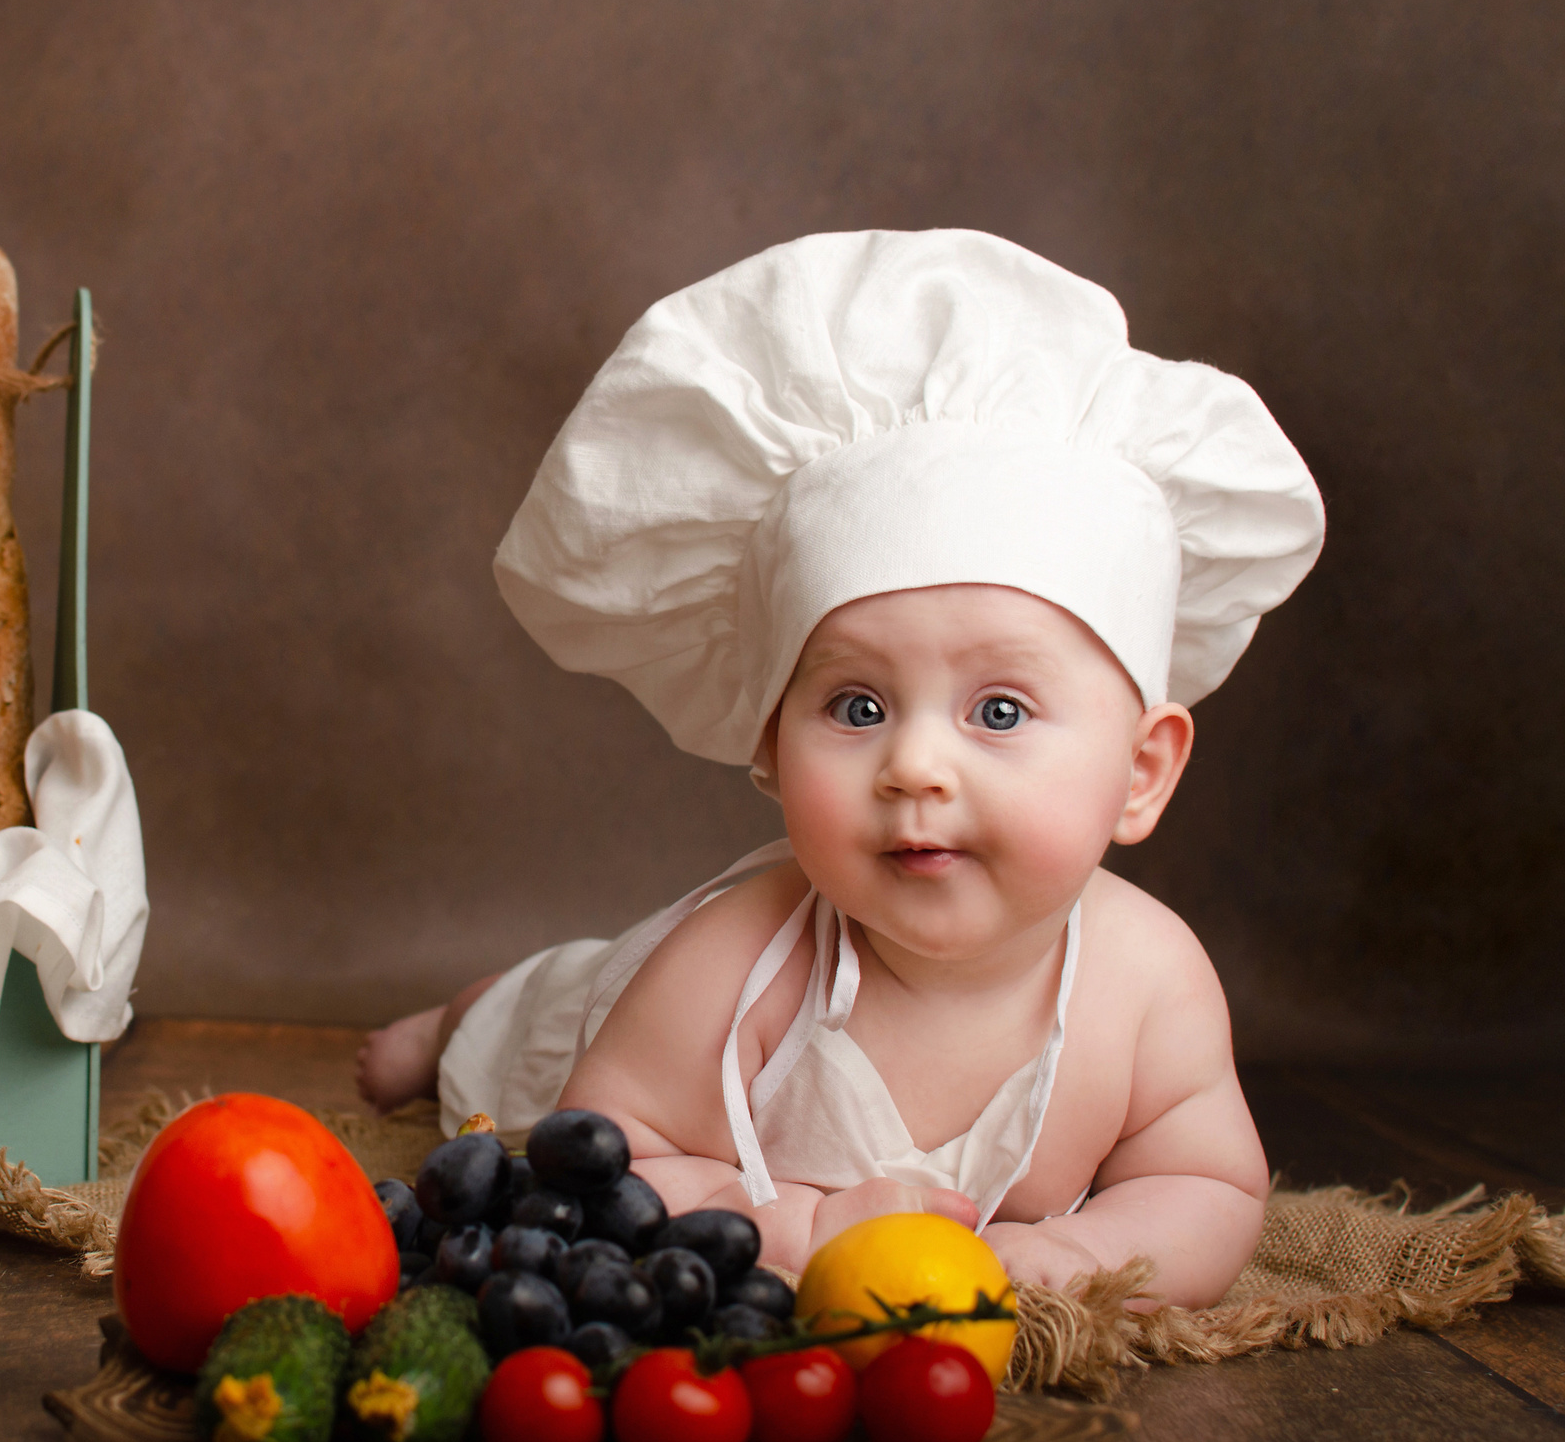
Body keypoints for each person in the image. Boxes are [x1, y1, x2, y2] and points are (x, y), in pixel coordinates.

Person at [356, 230, 1324, 1306]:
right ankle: (459, 1014)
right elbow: (607, 1172)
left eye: (997, 710)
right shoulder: (732, 961)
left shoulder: (1152, 983)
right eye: (856, 706)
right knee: (534, 1011)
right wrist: (801, 1228)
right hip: (596, 1037)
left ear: (1142, 771)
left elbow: (1203, 1181)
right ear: (769, 743)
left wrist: (1073, 1260)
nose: (914, 763)